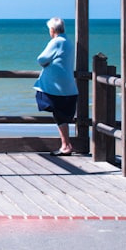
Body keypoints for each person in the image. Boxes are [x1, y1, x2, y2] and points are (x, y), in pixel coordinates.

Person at [34, 17, 78, 155]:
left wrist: (47, 64)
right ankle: (66, 145)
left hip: (56, 87)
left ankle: (66, 145)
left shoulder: (56, 41)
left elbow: (41, 59)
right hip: (68, 86)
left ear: (52, 30)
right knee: (62, 115)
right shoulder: (68, 42)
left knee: (58, 113)